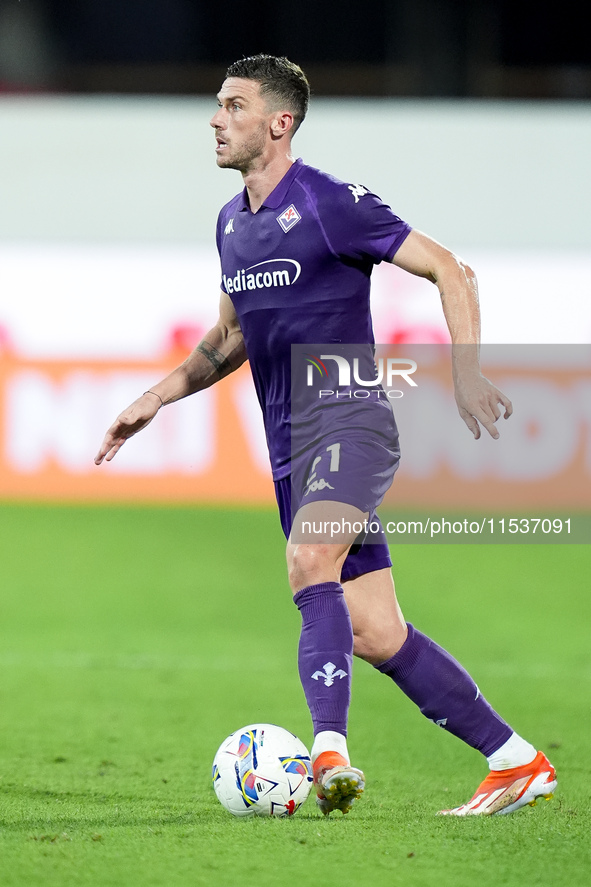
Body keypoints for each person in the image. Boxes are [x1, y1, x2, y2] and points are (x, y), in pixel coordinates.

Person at [95, 54, 556, 817]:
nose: (215, 119)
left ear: (278, 123)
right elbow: (226, 339)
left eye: (233, 106)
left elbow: (450, 268)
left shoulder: (330, 202)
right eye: (217, 104)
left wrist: (465, 370)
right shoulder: (230, 225)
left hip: (350, 419)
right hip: (288, 444)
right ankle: (514, 760)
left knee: (308, 558)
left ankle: (329, 750)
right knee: (375, 631)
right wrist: (158, 395)